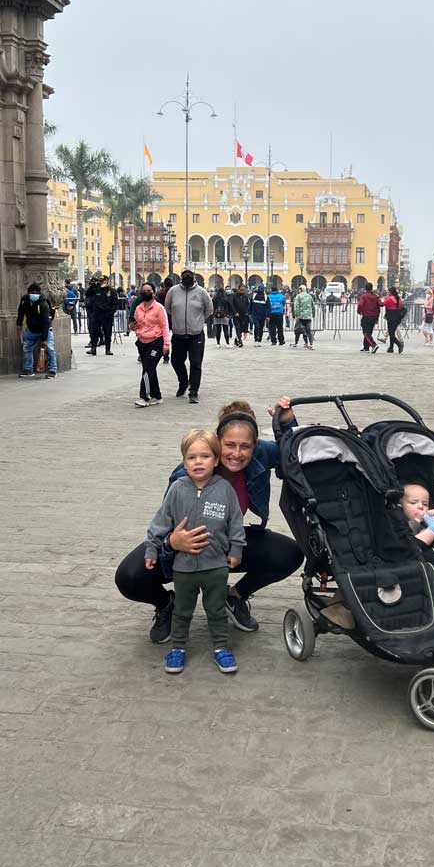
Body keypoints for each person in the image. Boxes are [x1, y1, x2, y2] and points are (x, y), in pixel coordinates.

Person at [115, 397, 303, 641]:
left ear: (254, 444)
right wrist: (172, 543)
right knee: (129, 577)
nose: (237, 453)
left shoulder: (259, 453)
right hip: (185, 547)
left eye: (245, 446)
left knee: (290, 553)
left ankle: (233, 596)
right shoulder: (185, 474)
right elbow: (164, 521)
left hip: (227, 542)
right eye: (229, 445)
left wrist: (287, 421)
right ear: (216, 443)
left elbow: (294, 455)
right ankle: (167, 604)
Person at [144, 429, 245, 675]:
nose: (198, 462)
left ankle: (221, 647)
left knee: (216, 610)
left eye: (205, 456)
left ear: (216, 459)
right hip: (184, 567)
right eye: (191, 457)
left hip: (216, 566)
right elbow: (161, 520)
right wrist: (152, 547)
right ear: (183, 460)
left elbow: (235, 522)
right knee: (182, 611)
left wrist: (236, 548)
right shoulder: (177, 489)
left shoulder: (224, 489)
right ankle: (178, 647)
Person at [164, 270, 213, 404]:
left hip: (196, 335)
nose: (187, 278)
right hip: (178, 334)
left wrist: (198, 320)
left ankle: (193, 391)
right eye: (184, 276)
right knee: (176, 361)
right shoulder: (173, 291)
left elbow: (209, 309)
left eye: (189, 276)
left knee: (196, 363)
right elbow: (168, 307)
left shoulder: (202, 292)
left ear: (194, 278)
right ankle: (183, 382)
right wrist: (178, 318)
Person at [129, 282, 170, 407]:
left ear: (153, 292)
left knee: (147, 369)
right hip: (142, 342)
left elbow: (165, 327)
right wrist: (133, 327)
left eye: (149, 291)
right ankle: (156, 395)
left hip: (156, 342)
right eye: (144, 290)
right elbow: (138, 325)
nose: (146, 293)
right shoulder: (138, 308)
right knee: (150, 368)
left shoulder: (159, 308)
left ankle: (144, 397)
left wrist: (166, 345)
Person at [16, 282, 57, 378]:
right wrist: (19, 324)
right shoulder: (25, 301)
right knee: (27, 348)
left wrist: (44, 338)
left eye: (36, 293)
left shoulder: (43, 303)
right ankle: (28, 369)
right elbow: (20, 313)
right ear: (28, 293)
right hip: (31, 330)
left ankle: (52, 370)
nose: (34, 295)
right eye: (32, 293)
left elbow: (46, 322)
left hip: (45, 329)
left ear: (39, 293)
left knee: (50, 349)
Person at [85, 275, 119, 356]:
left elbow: (115, 303)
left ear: (107, 280)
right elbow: (87, 294)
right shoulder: (96, 289)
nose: (102, 282)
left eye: (103, 280)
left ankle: (108, 349)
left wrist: (111, 312)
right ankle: (93, 348)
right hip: (97, 314)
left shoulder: (112, 291)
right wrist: (93, 285)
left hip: (107, 315)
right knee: (94, 332)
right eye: (100, 280)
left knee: (107, 332)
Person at [357, 282, 381, 352]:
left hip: (366, 315)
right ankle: (366, 347)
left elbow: (360, 304)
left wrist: (359, 311)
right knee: (369, 332)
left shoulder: (364, 296)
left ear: (365, 288)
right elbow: (379, 305)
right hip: (374, 316)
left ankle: (373, 345)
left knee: (365, 332)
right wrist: (377, 317)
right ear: (371, 288)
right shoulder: (376, 296)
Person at [382, 287, 405, 354]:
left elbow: (382, 304)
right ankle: (391, 348)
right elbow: (401, 306)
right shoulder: (398, 299)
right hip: (397, 317)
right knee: (392, 332)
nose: (387, 292)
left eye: (388, 291)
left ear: (390, 292)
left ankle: (399, 345)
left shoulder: (389, 299)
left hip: (390, 316)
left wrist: (378, 300)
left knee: (391, 333)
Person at [292, 284, 315, 349]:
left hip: (301, 316)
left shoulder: (298, 296)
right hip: (308, 316)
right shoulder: (309, 296)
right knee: (308, 330)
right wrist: (313, 314)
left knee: (298, 330)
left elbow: (296, 306)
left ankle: (296, 343)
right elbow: (313, 306)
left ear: (300, 290)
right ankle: (311, 344)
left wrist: (296, 315)